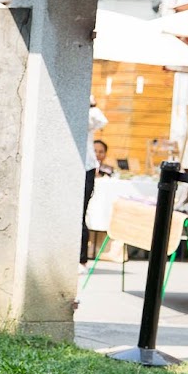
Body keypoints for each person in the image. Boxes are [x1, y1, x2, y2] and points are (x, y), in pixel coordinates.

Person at [82, 99, 109, 265]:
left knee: (80, 215)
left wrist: (90, 104)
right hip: (71, 166)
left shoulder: (90, 116)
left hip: (86, 167)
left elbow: (102, 120)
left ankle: (81, 259)